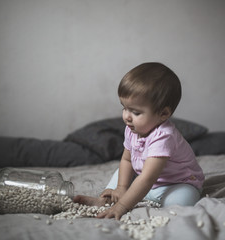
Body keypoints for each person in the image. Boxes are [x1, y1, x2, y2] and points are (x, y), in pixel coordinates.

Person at [73, 62, 204, 220]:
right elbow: (127, 159)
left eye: (135, 112)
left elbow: (147, 178)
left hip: (176, 183)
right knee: (120, 173)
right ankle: (106, 201)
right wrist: (121, 187)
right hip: (145, 180)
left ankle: (128, 200)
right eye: (124, 108)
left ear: (163, 114)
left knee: (180, 203)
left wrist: (122, 207)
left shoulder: (164, 136)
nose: (126, 116)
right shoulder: (132, 128)